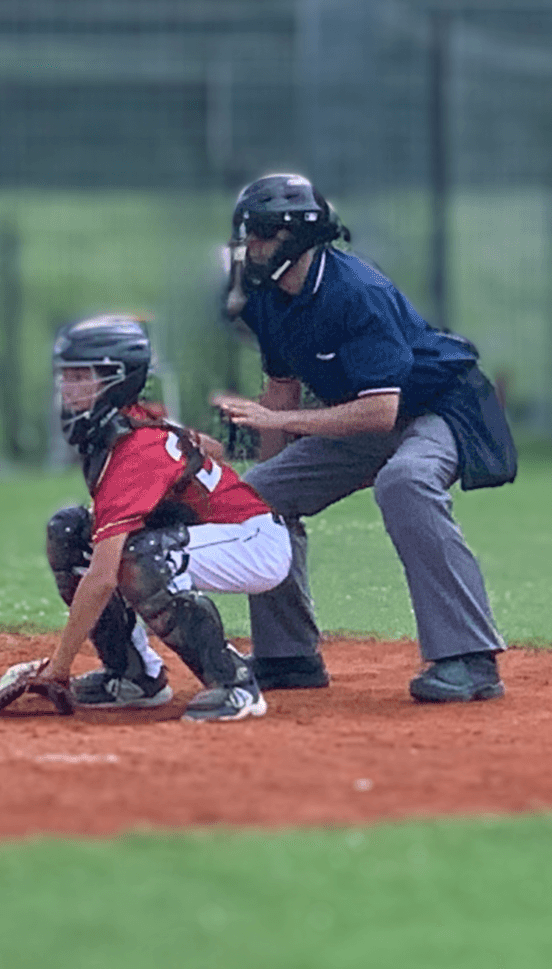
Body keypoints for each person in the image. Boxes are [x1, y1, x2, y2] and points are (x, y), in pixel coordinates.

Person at [210, 172, 514, 703]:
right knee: (257, 498)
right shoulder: (267, 297)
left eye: (261, 234)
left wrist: (279, 423)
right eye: (247, 234)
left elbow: (380, 411)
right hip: (366, 414)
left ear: (297, 237)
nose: (249, 247)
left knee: (406, 480)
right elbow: (281, 390)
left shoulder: (356, 292)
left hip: (438, 406)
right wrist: (264, 481)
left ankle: (470, 658)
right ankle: (289, 656)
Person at [28, 315, 292, 724]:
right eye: (66, 376)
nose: (68, 387)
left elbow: (101, 578)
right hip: (209, 534)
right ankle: (134, 677)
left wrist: (58, 668)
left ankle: (235, 684)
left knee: (141, 558)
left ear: (117, 380)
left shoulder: (135, 451)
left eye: (82, 377)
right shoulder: (133, 423)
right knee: (70, 531)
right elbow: (215, 449)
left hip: (253, 540)